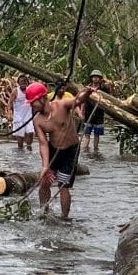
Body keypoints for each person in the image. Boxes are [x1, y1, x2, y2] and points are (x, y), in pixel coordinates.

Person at [27, 81, 92, 219]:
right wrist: (45, 166)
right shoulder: (38, 120)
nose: (32, 106)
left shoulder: (61, 105)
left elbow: (78, 100)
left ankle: (64, 217)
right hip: (53, 149)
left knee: (63, 185)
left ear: (42, 98)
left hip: (70, 151)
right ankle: (43, 212)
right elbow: (43, 143)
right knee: (45, 182)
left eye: (33, 102)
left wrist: (86, 93)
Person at [80, 70, 112, 153]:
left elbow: (109, 99)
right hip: (88, 113)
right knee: (87, 134)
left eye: (97, 77)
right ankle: (85, 150)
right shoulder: (87, 88)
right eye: (94, 77)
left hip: (99, 113)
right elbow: (83, 101)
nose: (95, 79)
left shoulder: (104, 88)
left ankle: (95, 150)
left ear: (100, 79)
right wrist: (82, 112)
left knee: (97, 134)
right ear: (91, 78)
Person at [9, 75, 34, 151]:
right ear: (18, 83)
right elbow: (10, 103)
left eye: (25, 81)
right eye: (21, 81)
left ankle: (29, 149)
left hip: (28, 116)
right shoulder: (15, 91)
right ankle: (20, 152)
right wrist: (9, 114)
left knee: (30, 132)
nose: (23, 83)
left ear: (27, 82)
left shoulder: (30, 91)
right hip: (18, 117)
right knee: (20, 137)